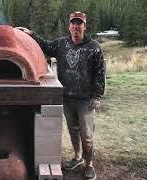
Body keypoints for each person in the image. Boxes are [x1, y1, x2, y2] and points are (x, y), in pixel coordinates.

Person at [17, 11, 105, 180]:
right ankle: (78, 158)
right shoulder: (61, 44)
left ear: (84, 26)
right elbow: (46, 46)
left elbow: (100, 73)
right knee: (73, 131)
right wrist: (31, 34)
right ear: (69, 26)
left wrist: (97, 96)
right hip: (67, 97)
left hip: (85, 99)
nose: (76, 26)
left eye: (79, 23)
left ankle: (89, 165)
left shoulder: (94, 47)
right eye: (73, 23)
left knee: (86, 135)